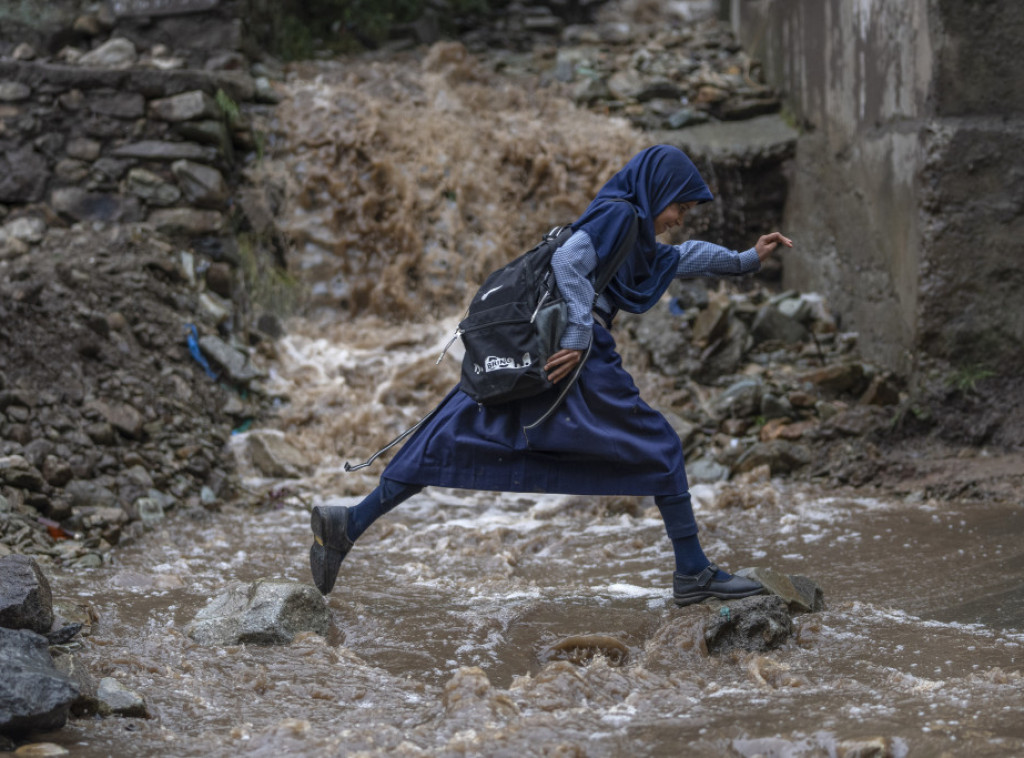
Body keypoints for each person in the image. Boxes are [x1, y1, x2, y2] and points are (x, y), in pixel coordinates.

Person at [310, 144, 793, 606]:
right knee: (661, 444)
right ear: (657, 190)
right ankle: (692, 572)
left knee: (449, 433)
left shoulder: (628, 224)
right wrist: (580, 334)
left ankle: (348, 524)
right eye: (678, 207)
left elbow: (680, 256)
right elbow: (568, 261)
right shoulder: (621, 214)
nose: (679, 219)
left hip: (540, 347)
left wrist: (746, 259)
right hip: (574, 355)